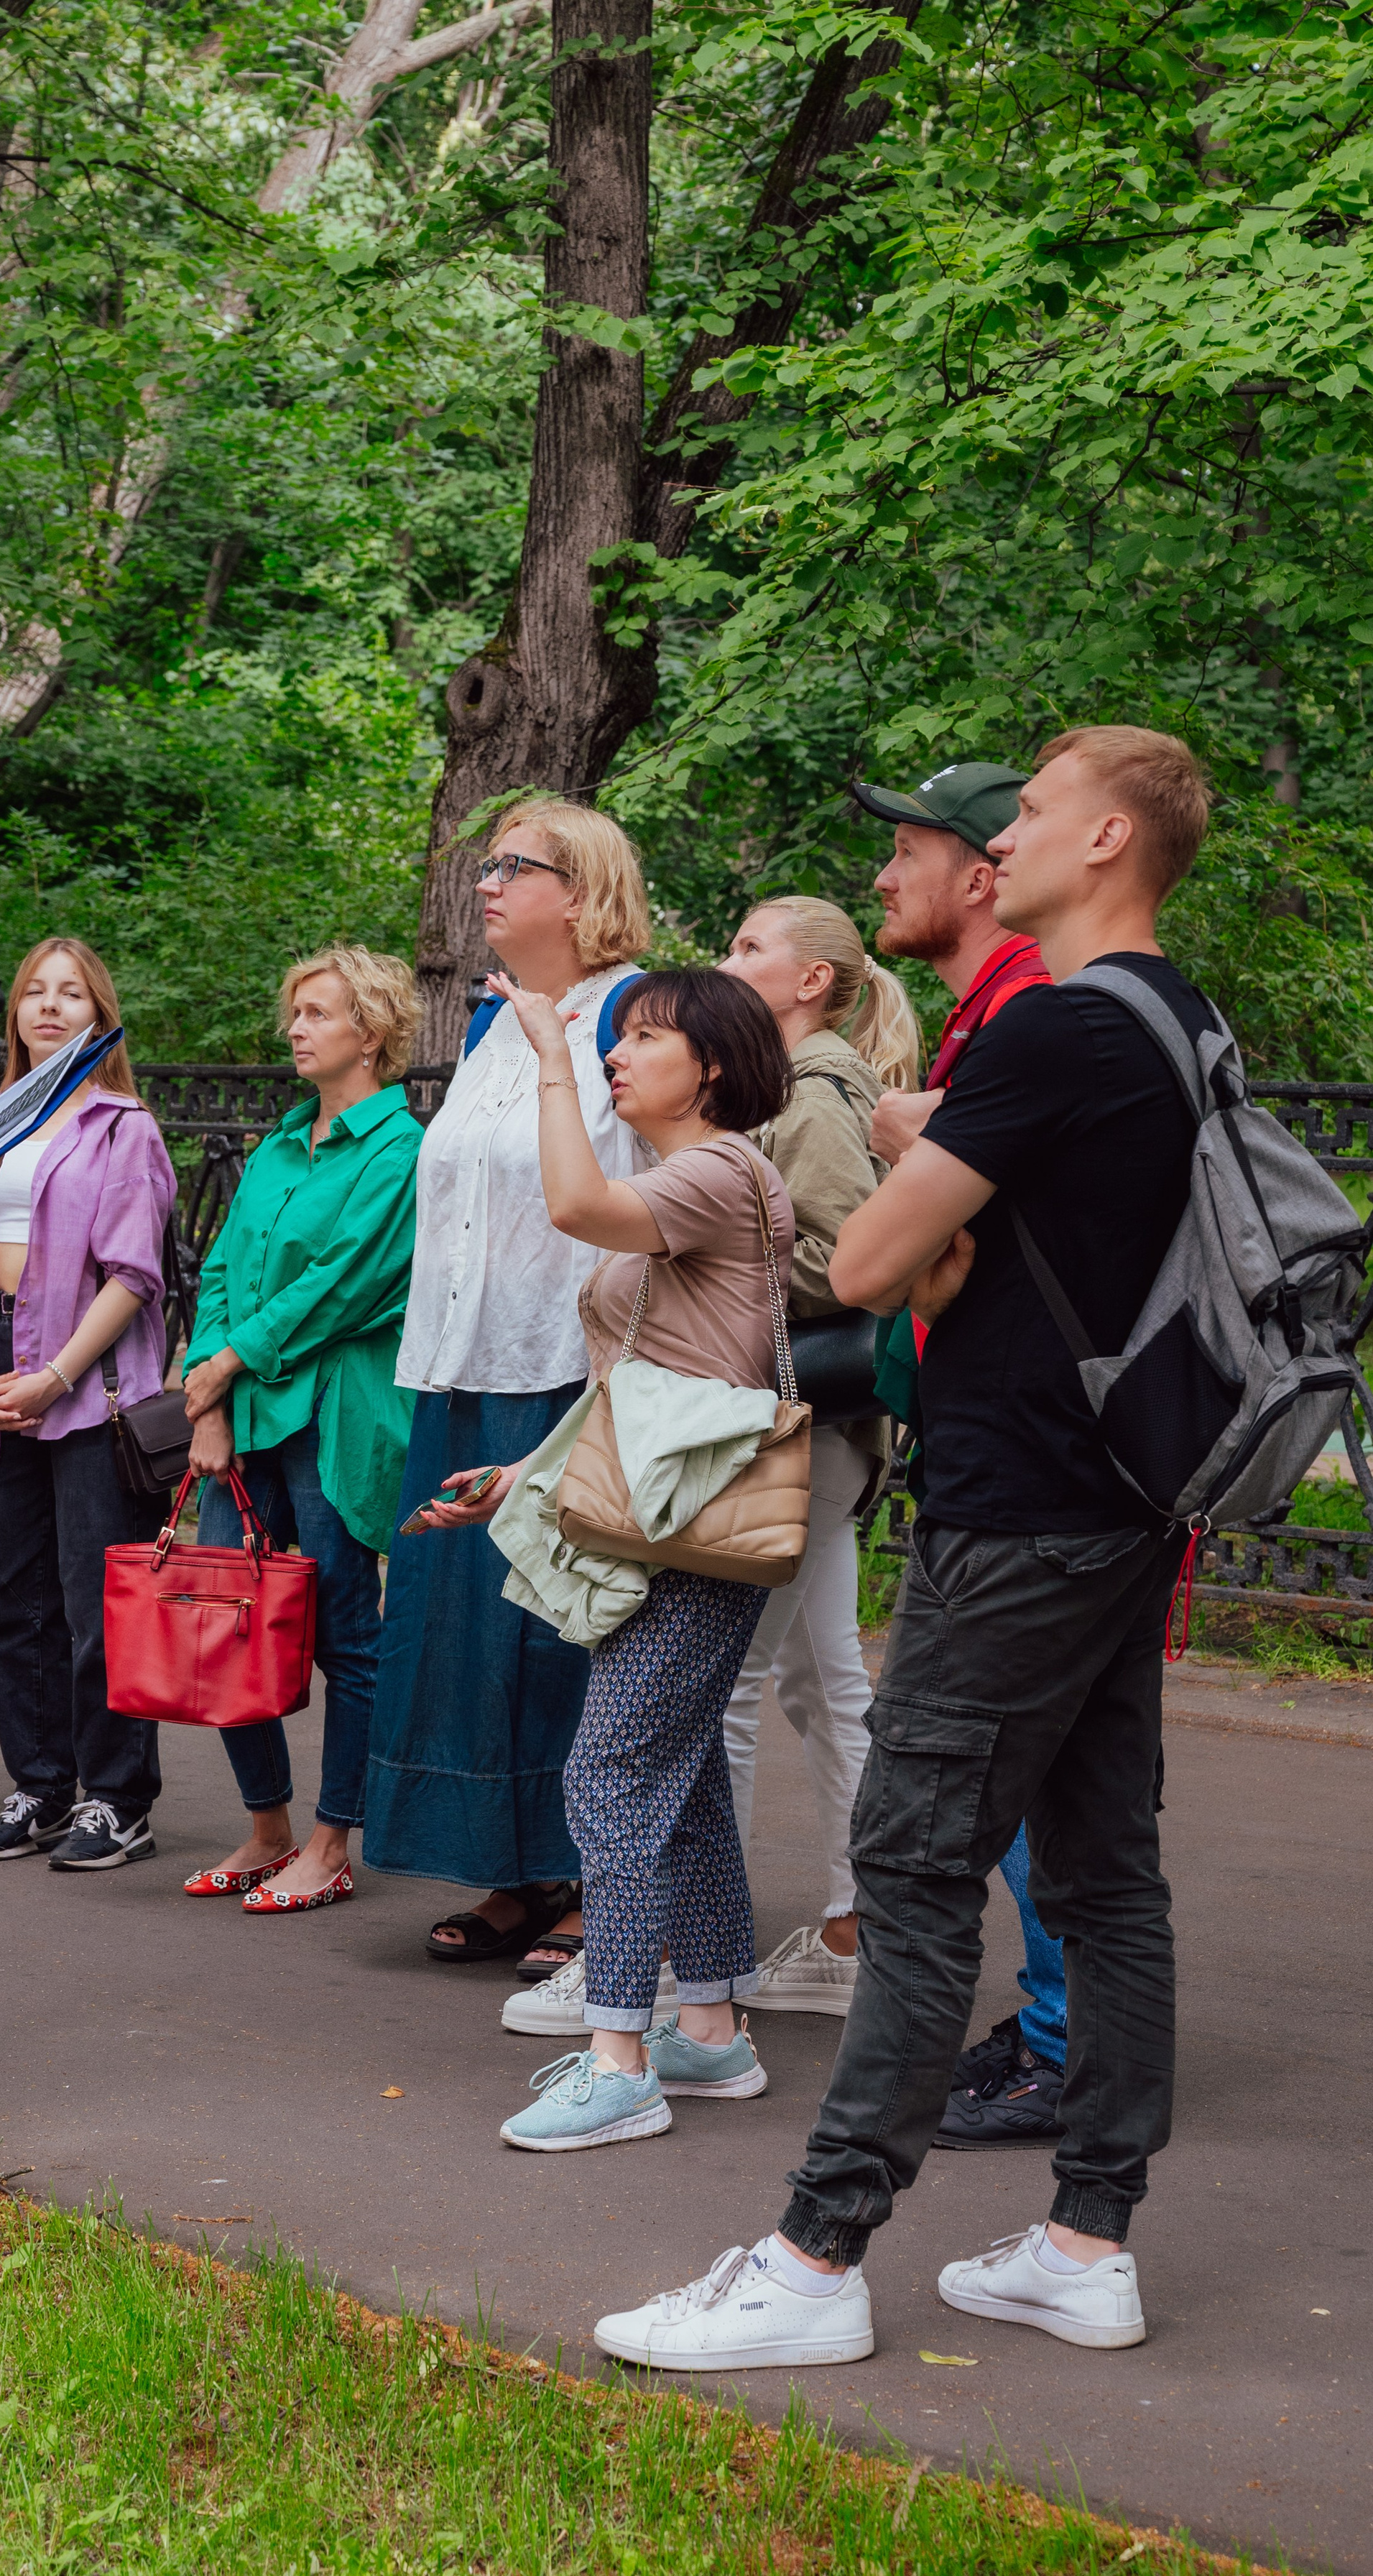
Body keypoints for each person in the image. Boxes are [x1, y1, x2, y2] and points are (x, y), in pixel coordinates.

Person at [595, 724, 1215, 2370]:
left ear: (1106, 839)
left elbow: (867, 1265)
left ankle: (813, 2256)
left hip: (1011, 1508)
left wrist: (905, 1153)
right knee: (1103, 1872)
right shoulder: (1182, 1022)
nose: (1000, 840)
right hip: (1125, 1497)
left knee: (916, 1864)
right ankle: (1086, 2240)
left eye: (1030, 812)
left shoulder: (1058, 1025)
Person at [421, 969, 798, 2148]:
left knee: (611, 1775)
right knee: (681, 1781)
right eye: (611, 1039)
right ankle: (713, 2031)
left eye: (644, 1038)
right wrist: (527, 1474)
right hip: (660, 1510)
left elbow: (572, 1204)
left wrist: (547, 1051)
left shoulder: (720, 1171)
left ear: (714, 1065)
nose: (615, 1057)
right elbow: (634, 1383)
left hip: (695, 1526)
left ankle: (621, 2055)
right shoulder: (689, 1181)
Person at [364, 798, 651, 1965]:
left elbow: (668, 1179)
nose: (484, 884)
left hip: (565, 1366)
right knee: (468, 1631)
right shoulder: (492, 1021)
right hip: (463, 1364)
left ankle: (591, 1874)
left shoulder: (634, 1012)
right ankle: (515, 1870)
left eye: (512, 866)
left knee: (558, 1630)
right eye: (485, 866)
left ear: (580, 892)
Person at [856, 760, 1071, 2141]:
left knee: (996, 1773)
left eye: (909, 851)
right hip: (1000, 1449)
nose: (884, 875)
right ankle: (1060, 2026)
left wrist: (914, 1143)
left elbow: (904, 1261)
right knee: (1045, 1776)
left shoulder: (1032, 1012)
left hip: (1031, 1470)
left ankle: (1063, 2042)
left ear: (984, 872)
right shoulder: (984, 1013)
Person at [179, 946, 423, 1913]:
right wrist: (209, 1398)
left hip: (334, 1413)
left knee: (345, 1634)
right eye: (296, 1012)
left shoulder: (398, 1148)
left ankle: (331, 1841)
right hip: (244, 1416)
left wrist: (231, 1361)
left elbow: (347, 1282)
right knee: (224, 1622)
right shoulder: (280, 1143)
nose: (297, 1028)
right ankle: (268, 1827)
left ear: (372, 1031)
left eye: (319, 1012)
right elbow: (221, 1270)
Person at [0, 938, 179, 1874]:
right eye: (34, 990)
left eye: (71, 993)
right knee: (1, 1602)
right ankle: (40, 1783)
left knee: (97, 1604)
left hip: (89, 1388)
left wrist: (55, 1376)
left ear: (98, 1016)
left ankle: (117, 1799)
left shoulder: (123, 1128)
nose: (48, 1005)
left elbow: (134, 1276)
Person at [714, 897, 920, 2015]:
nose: (726, 957)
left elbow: (852, 1261)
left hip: (797, 1420)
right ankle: (856, 1928)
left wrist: (704, 1250)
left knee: (727, 1680)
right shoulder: (797, 1087)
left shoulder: (813, 1090)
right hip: (815, 1423)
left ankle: (687, 1956)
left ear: (811, 982)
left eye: (751, 945)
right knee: (818, 1673)